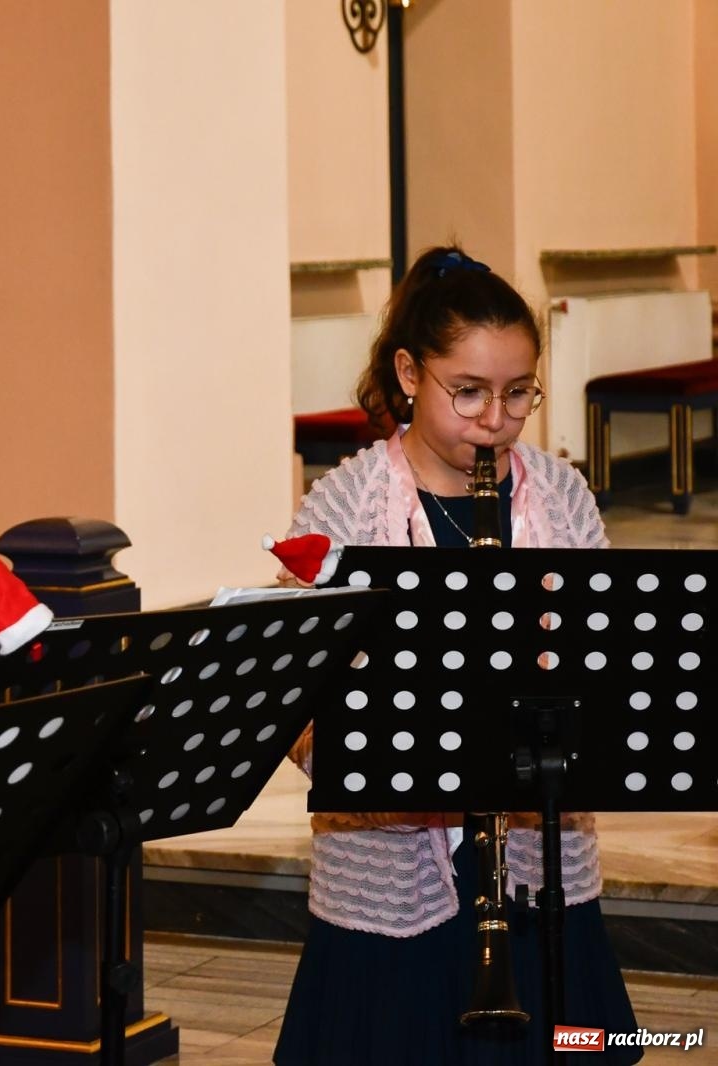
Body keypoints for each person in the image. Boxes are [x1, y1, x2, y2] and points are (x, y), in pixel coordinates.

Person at [272, 246, 640, 1065]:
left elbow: (607, 666)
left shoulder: (561, 495)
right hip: (398, 871)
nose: (494, 419)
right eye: (468, 392)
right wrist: (375, 757)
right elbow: (296, 706)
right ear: (409, 373)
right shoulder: (347, 505)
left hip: (539, 868)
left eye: (518, 395)